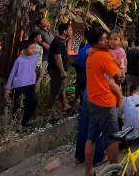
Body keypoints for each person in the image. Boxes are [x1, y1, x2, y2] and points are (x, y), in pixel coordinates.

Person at [84, 28, 123, 176]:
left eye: (107, 38)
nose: (107, 41)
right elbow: (118, 76)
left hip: (92, 100)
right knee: (113, 138)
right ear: (96, 42)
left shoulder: (91, 54)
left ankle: (88, 171)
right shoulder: (104, 56)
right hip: (105, 102)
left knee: (91, 137)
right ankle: (115, 170)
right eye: (103, 39)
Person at [74, 27, 105, 166]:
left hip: (85, 90)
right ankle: (98, 157)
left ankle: (79, 156)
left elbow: (78, 66)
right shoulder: (99, 54)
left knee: (84, 124)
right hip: (96, 93)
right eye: (103, 39)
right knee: (97, 127)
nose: (106, 41)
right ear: (98, 40)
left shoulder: (82, 51)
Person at [5, 39, 38, 126]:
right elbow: (12, 73)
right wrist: (8, 87)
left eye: (34, 48)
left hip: (31, 84)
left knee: (32, 103)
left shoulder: (35, 57)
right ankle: (14, 123)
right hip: (19, 85)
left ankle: (24, 122)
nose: (34, 50)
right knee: (17, 104)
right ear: (25, 49)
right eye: (31, 48)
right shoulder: (19, 60)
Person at [48, 22, 72, 112]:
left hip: (59, 70)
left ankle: (65, 105)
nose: (72, 32)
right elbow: (57, 57)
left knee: (61, 88)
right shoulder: (58, 42)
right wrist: (62, 71)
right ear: (65, 31)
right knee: (55, 90)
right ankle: (49, 111)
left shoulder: (62, 41)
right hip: (56, 70)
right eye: (70, 30)